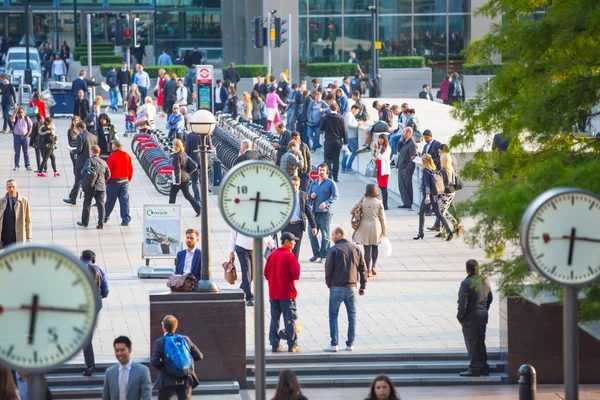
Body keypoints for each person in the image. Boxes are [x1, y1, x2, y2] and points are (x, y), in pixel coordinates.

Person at [324, 226, 367, 352]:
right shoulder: (356, 249)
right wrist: (363, 286)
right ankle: (350, 344)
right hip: (352, 287)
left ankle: (334, 343)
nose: (331, 237)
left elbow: (328, 269)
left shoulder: (333, 250)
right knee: (352, 316)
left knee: (333, 315)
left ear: (339, 235)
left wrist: (329, 284)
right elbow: (363, 269)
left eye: (333, 235)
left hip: (336, 287)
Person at [264, 232, 302, 353]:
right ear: (286, 242)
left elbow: (266, 274)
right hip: (287, 293)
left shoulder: (272, 255)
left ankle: (275, 344)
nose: (295, 242)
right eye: (293, 241)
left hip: (274, 293)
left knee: (274, 318)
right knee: (289, 319)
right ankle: (292, 344)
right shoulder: (289, 256)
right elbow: (296, 275)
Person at [151, 315, 203, 400]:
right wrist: (185, 364)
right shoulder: (185, 339)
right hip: (186, 379)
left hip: (168, 380)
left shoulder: (160, 342)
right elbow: (199, 356)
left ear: (163, 327)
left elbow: (155, 361)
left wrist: (167, 367)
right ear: (176, 326)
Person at [457, 259, 493, 377]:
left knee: (472, 343)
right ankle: (484, 367)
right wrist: (484, 309)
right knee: (481, 342)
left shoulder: (466, 283)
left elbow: (463, 303)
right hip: (483, 315)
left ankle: (474, 368)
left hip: (470, 316)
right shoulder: (485, 281)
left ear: (467, 270)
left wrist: (460, 317)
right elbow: (490, 298)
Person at [80, 249, 109, 376]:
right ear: (93, 259)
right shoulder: (100, 270)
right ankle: (90, 364)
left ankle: (90, 365)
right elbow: (105, 292)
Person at [414, 154, 453, 240]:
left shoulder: (425, 171)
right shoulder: (433, 169)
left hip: (428, 196)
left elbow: (427, 185)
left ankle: (420, 232)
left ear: (424, 161)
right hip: (435, 196)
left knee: (421, 213)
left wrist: (427, 197)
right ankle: (449, 231)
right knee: (438, 214)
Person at [350, 184, 387, 277]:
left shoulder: (362, 200)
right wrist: (384, 230)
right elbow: (382, 217)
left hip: (364, 226)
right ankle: (374, 266)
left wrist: (359, 211)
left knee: (367, 249)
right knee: (375, 247)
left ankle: (367, 270)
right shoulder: (379, 202)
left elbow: (352, 210)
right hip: (376, 226)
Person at [102, 336, 152, 400]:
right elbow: (105, 397)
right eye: (117, 350)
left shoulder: (142, 371)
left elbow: (147, 397)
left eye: (122, 350)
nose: (119, 353)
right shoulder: (110, 372)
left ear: (130, 350)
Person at [281, 176, 317, 260]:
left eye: (296, 185)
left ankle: (293, 267)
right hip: (286, 225)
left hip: (298, 225)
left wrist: (313, 226)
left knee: (296, 249)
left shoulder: (303, 195)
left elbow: (308, 211)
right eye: (293, 184)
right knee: (285, 249)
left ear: (299, 184)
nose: (294, 187)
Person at [308, 163, 338, 262]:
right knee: (312, 233)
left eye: (323, 170)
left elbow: (335, 196)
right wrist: (311, 195)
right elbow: (308, 195)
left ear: (326, 172)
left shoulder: (330, 183)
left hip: (325, 213)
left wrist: (326, 203)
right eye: (320, 170)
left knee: (325, 235)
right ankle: (316, 253)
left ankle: (324, 255)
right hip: (313, 212)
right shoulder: (314, 183)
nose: (321, 172)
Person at [78, 145, 111, 229]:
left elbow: (83, 172)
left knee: (87, 203)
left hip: (90, 186)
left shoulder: (90, 160)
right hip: (101, 186)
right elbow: (108, 175)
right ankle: (101, 223)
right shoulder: (104, 162)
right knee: (101, 205)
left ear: (92, 152)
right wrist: (102, 180)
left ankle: (85, 222)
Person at [64, 121, 97, 205]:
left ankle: (72, 198)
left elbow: (79, 149)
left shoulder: (80, 136)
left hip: (81, 161)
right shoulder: (93, 136)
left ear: (79, 128)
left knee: (78, 180)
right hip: (91, 160)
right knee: (92, 181)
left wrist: (72, 151)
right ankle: (97, 199)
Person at [104, 140, 133, 226]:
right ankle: (125, 219)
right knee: (124, 200)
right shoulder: (127, 155)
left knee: (110, 200)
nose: (112, 145)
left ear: (115, 146)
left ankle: (104, 217)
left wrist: (107, 181)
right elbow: (130, 168)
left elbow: (108, 170)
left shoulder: (112, 156)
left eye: (113, 144)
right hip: (124, 180)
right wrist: (128, 179)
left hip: (114, 181)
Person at [170, 139, 201, 216]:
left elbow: (177, 168)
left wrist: (177, 180)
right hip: (186, 177)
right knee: (187, 195)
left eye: (173, 144)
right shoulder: (184, 153)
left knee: (172, 195)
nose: (172, 146)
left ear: (176, 146)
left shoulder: (176, 156)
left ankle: (170, 211)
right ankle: (198, 209)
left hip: (180, 178)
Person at [0, 179, 32, 249]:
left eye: (13, 187)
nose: (11, 189)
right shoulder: (2, 202)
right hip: (6, 236)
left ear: (16, 187)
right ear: (6, 188)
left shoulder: (24, 201)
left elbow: (28, 220)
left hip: (19, 234)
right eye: (9, 187)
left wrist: (28, 237)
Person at [320, 103, 348, 182]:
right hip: (337, 141)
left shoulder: (326, 117)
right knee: (336, 159)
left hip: (328, 140)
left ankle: (330, 174)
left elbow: (321, 128)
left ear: (330, 108)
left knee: (327, 158)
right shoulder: (341, 118)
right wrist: (345, 141)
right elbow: (344, 131)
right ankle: (336, 177)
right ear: (337, 109)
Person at [396, 127, 417, 209]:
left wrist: (408, 168)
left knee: (407, 185)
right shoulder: (404, 142)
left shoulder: (412, 143)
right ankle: (405, 202)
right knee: (401, 185)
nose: (402, 133)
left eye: (404, 132)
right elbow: (398, 150)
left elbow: (413, 157)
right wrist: (400, 142)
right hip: (401, 167)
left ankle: (409, 202)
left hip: (406, 168)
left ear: (409, 133)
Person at [373, 134, 391, 210]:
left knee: (384, 187)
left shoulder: (387, 148)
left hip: (384, 169)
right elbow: (376, 156)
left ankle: (385, 205)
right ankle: (383, 204)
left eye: (381, 139)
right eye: (379, 138)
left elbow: (381, 157)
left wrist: (377, 149)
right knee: (380, 186)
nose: (380, 140)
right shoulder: (380, 147)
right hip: (379, 168)